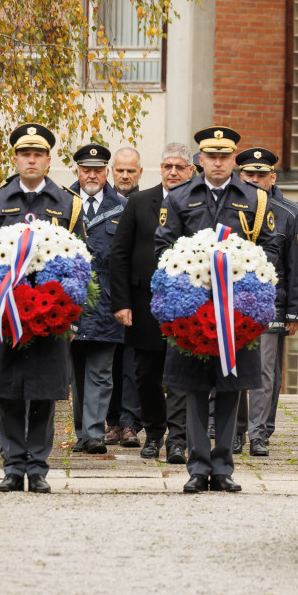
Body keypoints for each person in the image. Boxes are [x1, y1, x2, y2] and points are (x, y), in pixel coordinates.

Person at [154, 126, 278, 493]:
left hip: (236, 312)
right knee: (193, 388)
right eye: (212, 156)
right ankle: (197, 467)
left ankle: (222, 466)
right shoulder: (179, 197)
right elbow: (163, 247)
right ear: (201, 160)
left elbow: (269, 249)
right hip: (191, 311)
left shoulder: (254, 199)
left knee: (230, 388)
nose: (219, 162)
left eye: (225, 156)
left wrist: (251, 280)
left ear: (233, 160)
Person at [0, 123, 85, 494]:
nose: (31, 160)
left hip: (50, 317)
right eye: (25, 154)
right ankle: (11, 465)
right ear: (16, 159)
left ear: (49, 160)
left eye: (38, 154)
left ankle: (37, 468)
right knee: (9, 390)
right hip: (6, 316)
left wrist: (72, 314)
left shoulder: (68, 203)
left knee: (42, 392)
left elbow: (82, 262)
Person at [110, 142, 195, 463]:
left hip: (187, 306)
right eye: (168, 166)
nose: (173, 172)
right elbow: (119, 254)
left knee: (180, 374)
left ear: (190, 170)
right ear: (160, 169)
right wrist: (121, 302)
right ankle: (154, 432)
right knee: (145, 374)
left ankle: (177, 439)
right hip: (143, 304)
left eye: (179, 167)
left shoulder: (197, 202)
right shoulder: (139, 202)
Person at [236, 147, 298, 456]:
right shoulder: (227, 208)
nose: (254, 180)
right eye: (248, 174)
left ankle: (258, 433)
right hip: (232, 305)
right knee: (230, 368)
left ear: (272, 177)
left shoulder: (290, 213)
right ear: (240, 176)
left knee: (265, 371)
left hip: (272, 305)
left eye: (260, 174)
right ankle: (232, 430)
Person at [69, 143, 127, 454]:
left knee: (102, 372)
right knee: (77, 373)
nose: (92, 174)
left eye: (98, 169)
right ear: (76, 170)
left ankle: (93, 432)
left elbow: (127, 258)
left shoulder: (122, 207)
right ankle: (83, 432)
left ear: (106, 172)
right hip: (72, 302)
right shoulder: (64, 203)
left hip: (108, 302)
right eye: (86, 169)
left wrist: (125, 302)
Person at [104, 146, 146, 446]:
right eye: (120, 170)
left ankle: (130, 423)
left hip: (139, 298)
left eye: (131, 170)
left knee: (134, 364)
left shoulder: (148, 202)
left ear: (140, 172)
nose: (125, 175)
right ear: (112, 171)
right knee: (109, 364)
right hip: (106, 297)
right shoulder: (98, 203)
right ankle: (112, 422)